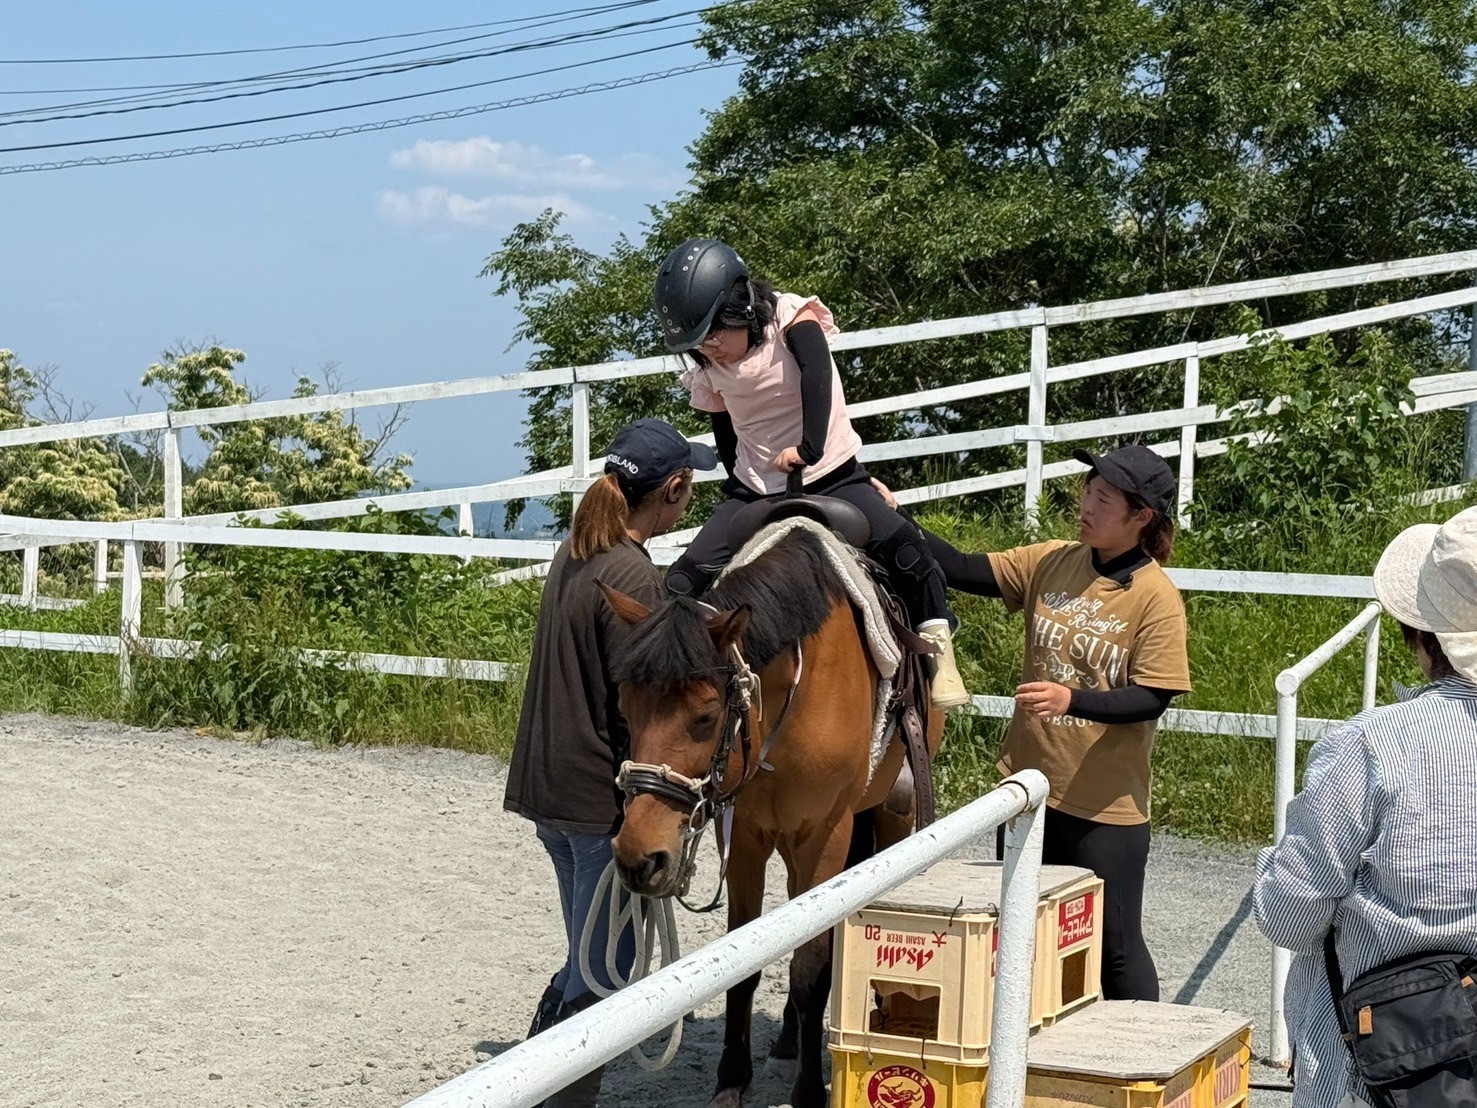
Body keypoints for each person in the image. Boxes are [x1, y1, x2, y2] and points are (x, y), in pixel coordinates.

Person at [878, 445, 1191, 1000]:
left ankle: (1142, 1059)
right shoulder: (1054, 559)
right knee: (1028, 931)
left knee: (1115, 946)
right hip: (1027, 789)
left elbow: (1153, 697)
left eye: (1104, 498)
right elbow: (963, 570)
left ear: (1141, 517)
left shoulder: (1156, 597)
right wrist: (895, 520)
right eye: (1088, 491)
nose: (1087, 505)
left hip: (1104, 807)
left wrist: (1073, 700)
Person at [651, 236, 969, 710]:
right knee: (681, 581)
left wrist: (807, 449)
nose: (711, 348)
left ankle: (938, 654)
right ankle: (676, 689)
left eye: (715, 332)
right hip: (756, 487)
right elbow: (726, 426)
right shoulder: (710, 366)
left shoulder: (790, 319)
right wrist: (738, 487)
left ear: (741, 305)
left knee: (908, 552)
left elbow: (817, 380)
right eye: (699, 342)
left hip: (832, 471)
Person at [502, 418, 715, 1108]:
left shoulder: (577, 550)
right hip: (595, 792)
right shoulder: (632, 576)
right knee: (606, 972)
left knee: (582, 956)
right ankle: (554, 1097)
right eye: (690, 486)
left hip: (546, 781)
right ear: (675, 490)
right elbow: (647, 711)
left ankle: (523, 1082)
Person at [1254, 506, 1477, 1108]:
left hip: (1384, 1061)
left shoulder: (1373, 745)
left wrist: (1272, 864)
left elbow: (1289, 915)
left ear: (1423, 633)